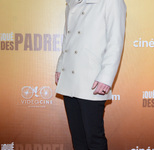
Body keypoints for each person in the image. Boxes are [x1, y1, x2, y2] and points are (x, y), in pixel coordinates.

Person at [55, 0, 127, 149]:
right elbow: (67, 37)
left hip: (93, 79)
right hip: (69, 77)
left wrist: (106, 77)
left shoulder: (112, 2)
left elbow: (116, 41)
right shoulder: (72, 1)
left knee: (94, 138)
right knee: (78, 138)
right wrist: (60, 65)